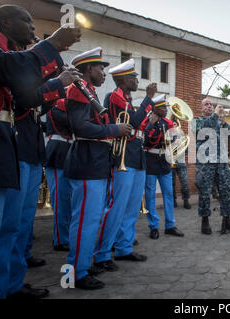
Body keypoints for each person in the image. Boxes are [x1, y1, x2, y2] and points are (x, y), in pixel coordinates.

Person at [0, 5, 81, 299]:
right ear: (5, 22)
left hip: (23, 146)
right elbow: (16, 79)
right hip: (9, 146)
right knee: (3, 227)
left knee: (14, 227)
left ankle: (10, 284)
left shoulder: (14, 57)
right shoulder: (1, 54)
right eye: (27, 23)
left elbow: (32, 99)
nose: (33, 30)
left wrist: (57, 82)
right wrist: (52, 46)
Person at [64, 47, 132, 290]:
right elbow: (80, 127)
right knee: (83, 221)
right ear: (88, 69)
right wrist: (114, 129)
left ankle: (81, 265)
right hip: (86, 161)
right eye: (100, 68)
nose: (104, 72)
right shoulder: (78, 89)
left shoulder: (89, 91)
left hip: (95, 161)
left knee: (90, 219)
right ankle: (74, 275)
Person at [93, 59, 155, 271]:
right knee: (117, 206)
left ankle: (124, 247)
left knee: (131, 207)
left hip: (136, 154)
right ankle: (102, 253)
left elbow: (141, 126)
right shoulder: (114, 97)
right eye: (133, 77)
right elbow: (132, 123)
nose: (136, 80)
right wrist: (148, 98)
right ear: (123, 80)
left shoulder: (128, 99)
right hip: (124, 155)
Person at [191, 99, 230, 235]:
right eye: (206, 104)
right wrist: (216, 116)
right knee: (205, 193)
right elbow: (202, 132)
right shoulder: (196, 121)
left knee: (225, 191)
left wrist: (224, 122)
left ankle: (227, 219)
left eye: (211, 104)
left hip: (221, 162)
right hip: (205, 163)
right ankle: (205, 221)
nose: (209, 106)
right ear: (201, 108)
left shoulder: (219, 121)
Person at [143, 96, 184, 240]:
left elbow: (174, 140)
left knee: (168, 193)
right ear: (155, 109)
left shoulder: (168, 122)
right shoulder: (147, 120)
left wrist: (176, 139)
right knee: (150, 195)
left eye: (166, 108)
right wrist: (150, 125)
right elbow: (143, 140)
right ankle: (153, 226)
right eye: (163, 108)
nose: (166, 110)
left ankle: (170, 225)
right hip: (150, 160)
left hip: (164, 161)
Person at [44, 98, 73, 252]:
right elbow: (73, 122)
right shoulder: (56, 106)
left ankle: (66, 235)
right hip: (58, 152)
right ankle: (61, 239)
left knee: (68, 200)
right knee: (60, 200)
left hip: (69, 151)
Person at [171, 115, 191, 210]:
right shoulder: (168, 136)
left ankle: (186, 201)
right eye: (172, 124)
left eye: (175, 124)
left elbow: (187, 150)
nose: (174, 125)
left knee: (184, 182)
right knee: (172, 183)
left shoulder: (182, 136)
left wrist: (181, 147)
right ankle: (173, 200)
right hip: (171, 162)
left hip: (181, 162)